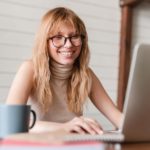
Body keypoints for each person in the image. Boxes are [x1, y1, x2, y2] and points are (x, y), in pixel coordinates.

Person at [6, 7, 122, 135]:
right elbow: (11, 123)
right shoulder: (30, 68)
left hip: (72, 145)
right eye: (58, 37)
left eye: (74, 36)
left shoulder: (86, 74)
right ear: (45, 42)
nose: (68, 44)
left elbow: (118, 118)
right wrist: (65, 127)